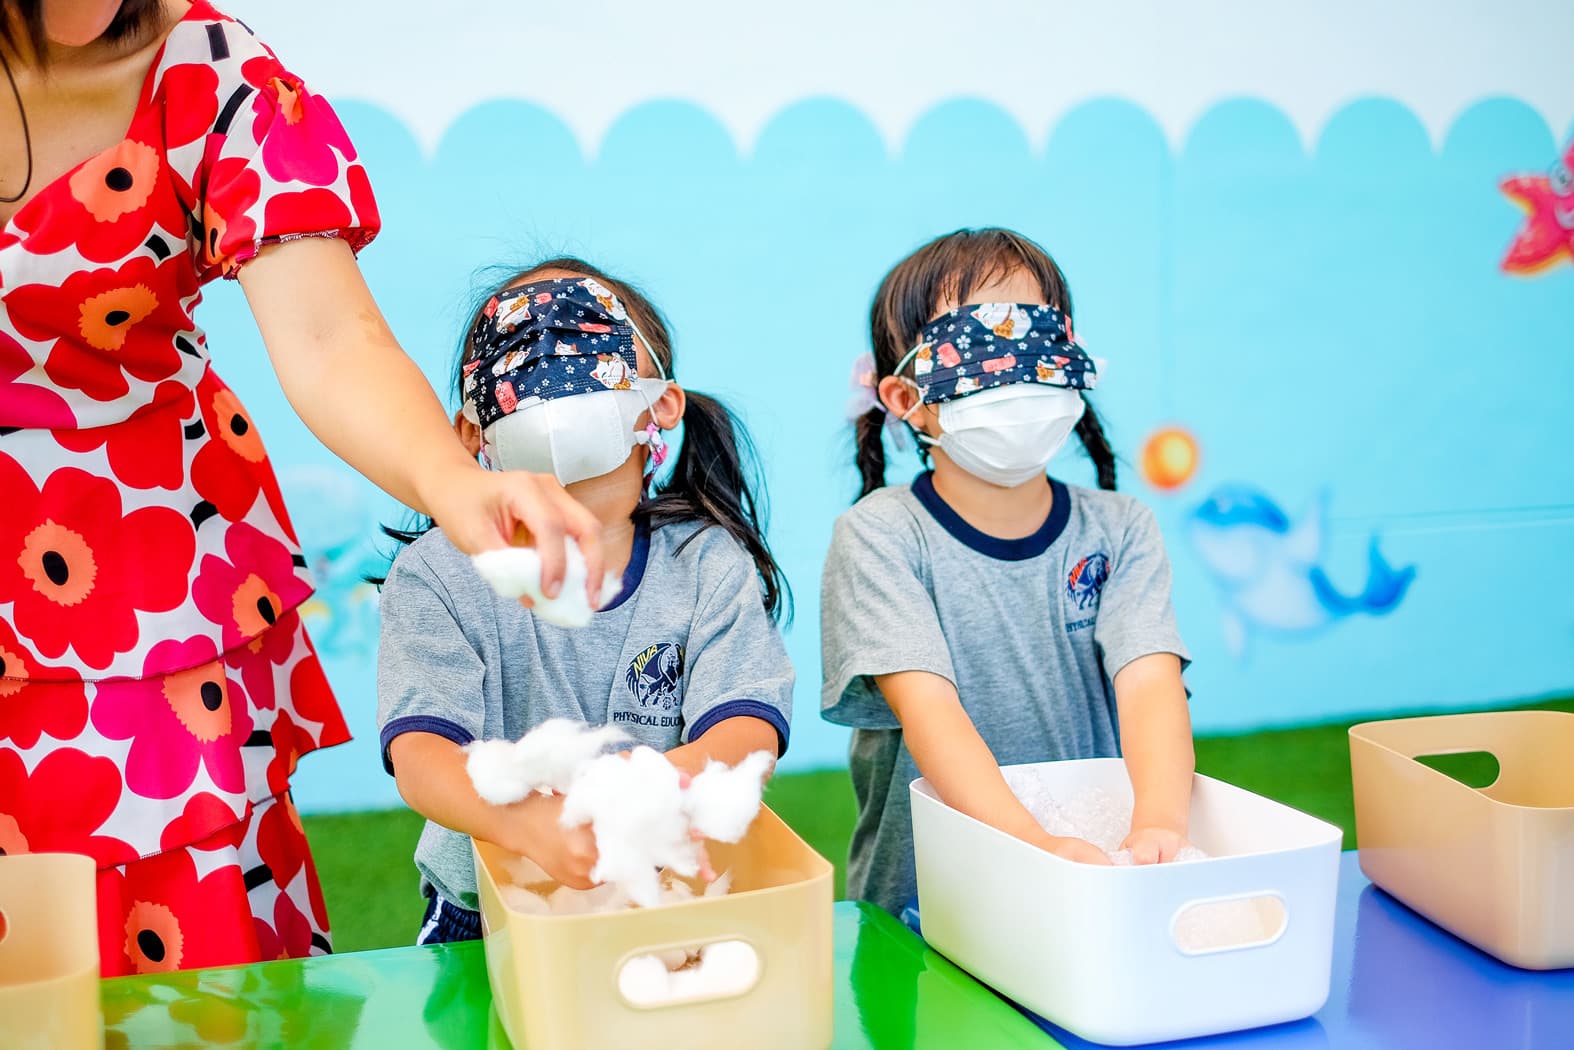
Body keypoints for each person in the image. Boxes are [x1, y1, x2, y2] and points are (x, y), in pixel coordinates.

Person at [0, 0, 602, 975]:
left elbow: (330, 340)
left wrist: (453, 481)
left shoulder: (212, 69)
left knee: (185, 985)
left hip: (144, 599)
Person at [376, 259, 793, 944]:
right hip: (484, 913)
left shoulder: (706, 563)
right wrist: (522, 824)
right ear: (471, 434)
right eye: (519, 352)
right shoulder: (436, 575)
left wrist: (659, 781)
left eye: (583, 341)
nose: (553, 368)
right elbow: (422, 758)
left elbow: (749, 729)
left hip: (669, 900)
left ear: (658, 405)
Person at [821, 227, 1195, 916]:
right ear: (906, 398)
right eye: (982, 349)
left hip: (1093, 882)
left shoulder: (1122, 528)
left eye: (1036, 343)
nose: (1017, 372)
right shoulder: (880, 535)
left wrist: (1161, 829)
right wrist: (1034, 846)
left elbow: (1150, 684)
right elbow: (929, 709)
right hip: (927, 901)